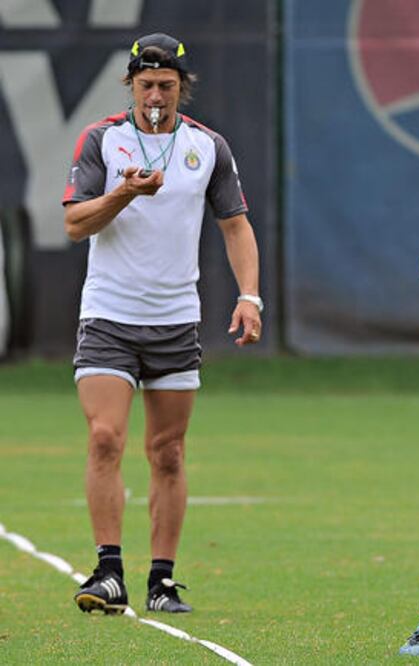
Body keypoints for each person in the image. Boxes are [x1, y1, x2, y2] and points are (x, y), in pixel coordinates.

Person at [63, 32, 262, 615]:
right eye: (147, 85)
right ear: (131, 85)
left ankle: (162, 580)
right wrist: (123, 194)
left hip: (176, 318)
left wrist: (250, 295)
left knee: (168, 451)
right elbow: (76, 224)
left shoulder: (207, 147)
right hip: (109, 313)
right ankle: (108, 572)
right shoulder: (102, 140)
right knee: (104, 437)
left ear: (182, 88)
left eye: (167, 86)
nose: (157, 95)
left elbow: (236, 226)